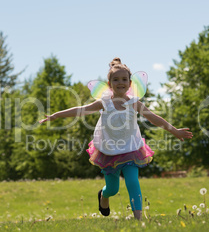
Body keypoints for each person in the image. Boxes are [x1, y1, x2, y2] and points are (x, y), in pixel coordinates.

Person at [39, 57, 193, 220]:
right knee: (112, 189)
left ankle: (138, 219)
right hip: (109, 150)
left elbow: (154, 118)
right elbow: (81, 110)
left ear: (130, 83)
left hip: (131, 149)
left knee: (133, 182)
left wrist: (175, 131)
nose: (120, 82)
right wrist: (56, 116)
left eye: (124, 79)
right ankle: (103, 196)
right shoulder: (104, 103)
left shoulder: (135, 103)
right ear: (109, 83)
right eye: (116, 79)